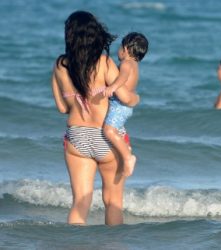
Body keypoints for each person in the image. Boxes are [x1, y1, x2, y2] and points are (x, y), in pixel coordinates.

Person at [51, 11, 129, 225]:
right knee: (113, 201)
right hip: (107, 137)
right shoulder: (104, 62)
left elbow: (61, 107)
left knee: (79, 203)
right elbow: (123, 97)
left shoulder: (60, 65)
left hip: (76, 136)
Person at [102, 32, 148, 177]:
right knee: (115, 130)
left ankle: (128, 157)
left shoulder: (126, 63)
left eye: (120, 47)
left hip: (119, 106)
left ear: (126, 49)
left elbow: (123, 77)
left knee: (108, 131)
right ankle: (124, 147)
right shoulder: (135, 64)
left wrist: (112, 87)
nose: (118, 51)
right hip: (124, 106)